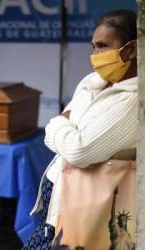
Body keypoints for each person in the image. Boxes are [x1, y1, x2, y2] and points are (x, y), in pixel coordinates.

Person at [23, 9, 137, 250]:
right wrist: (64, 127)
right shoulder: (91, 82)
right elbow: (64, 138)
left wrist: (58, 124)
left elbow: (79, 151)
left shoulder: (134, 100)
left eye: (103, 46)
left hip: (92, 217)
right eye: (93, 46)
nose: (95, 55)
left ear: (133, 49)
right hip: (59, 207)